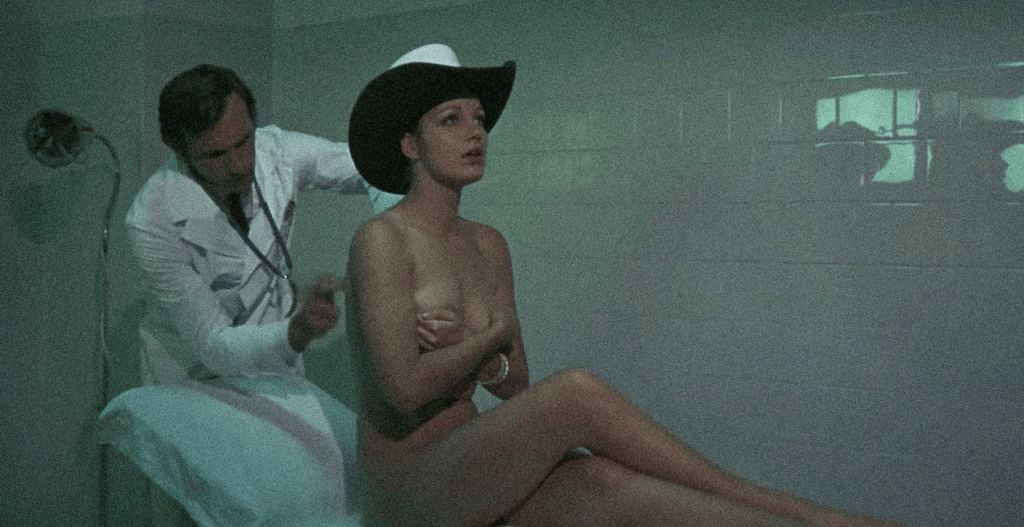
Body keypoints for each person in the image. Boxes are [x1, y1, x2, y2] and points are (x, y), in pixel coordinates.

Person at [344, 44, 902, 527]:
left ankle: (809, 520)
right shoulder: (382, 240)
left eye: (479, 119)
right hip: (409, 491)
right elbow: (404, 391)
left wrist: (478, 353)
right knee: (575, 393)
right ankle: (796, 508)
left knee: (605, 484)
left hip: (474, 467)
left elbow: (514, 385)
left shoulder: (488, 244)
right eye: (451, 120)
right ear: (410, 145)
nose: (476, 133)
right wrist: (488, 338)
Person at [127, 64, 400, 384]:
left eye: (244, 141)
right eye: (216, 155)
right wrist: (296, 331)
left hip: (273, 371)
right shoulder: (152, 218)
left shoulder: (276, 153)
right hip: (190, 378)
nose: (238, 165)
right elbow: (213, 345)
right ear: (180, 151)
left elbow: (369, 166)